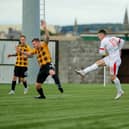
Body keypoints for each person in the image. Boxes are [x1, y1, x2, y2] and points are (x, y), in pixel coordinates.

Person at [17, 21, 63, 99]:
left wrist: (45, 28)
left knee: (52, 72)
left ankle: (59, 86)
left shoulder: (44, 45)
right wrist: (21, 51)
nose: (33, 45)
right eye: (33, 44)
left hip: (48, 64)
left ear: (38, 42)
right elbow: (29, 54)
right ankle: (42, 96)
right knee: (37, 86)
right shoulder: (35, 50)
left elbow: (48, 37)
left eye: (34, 44)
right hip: (42, 68)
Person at [75, 29, 125, 100]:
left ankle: (120, 91)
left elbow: (101, 53)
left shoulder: (103, 41)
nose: (98, 37)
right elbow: (122, 41)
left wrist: (106, 53)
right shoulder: (112, 38)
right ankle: (84, 72)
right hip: (111, 57)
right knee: (98, 63)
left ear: (102, 35)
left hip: (114, 60)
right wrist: (119, 49)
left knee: (113, 77)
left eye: (98, 35)